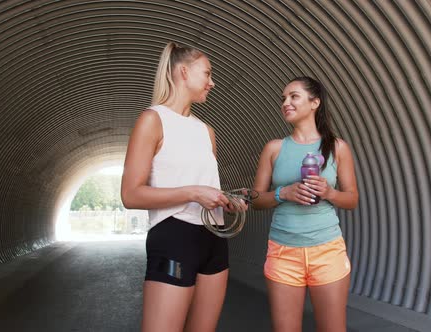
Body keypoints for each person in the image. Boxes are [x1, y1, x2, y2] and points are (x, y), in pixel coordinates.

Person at [120, 42, 246, 332]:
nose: (212, 83)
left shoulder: (207, 131)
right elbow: (130, 194)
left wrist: (227, 199)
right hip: (174, 237)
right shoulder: (152, 120)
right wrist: (193, 193)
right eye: (208, 74)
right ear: (184, 72)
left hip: (214, 239)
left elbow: (205, 187)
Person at [252, 76, 359, 332]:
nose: (285, 103)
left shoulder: (337, 148)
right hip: (283, 253)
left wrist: (330, 192)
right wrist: (282, 194)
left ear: (315, 103)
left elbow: (352, 199)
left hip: (327, 251)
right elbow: (255, 200)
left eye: (293, 96)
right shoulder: (274, 149)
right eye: (283, 99)